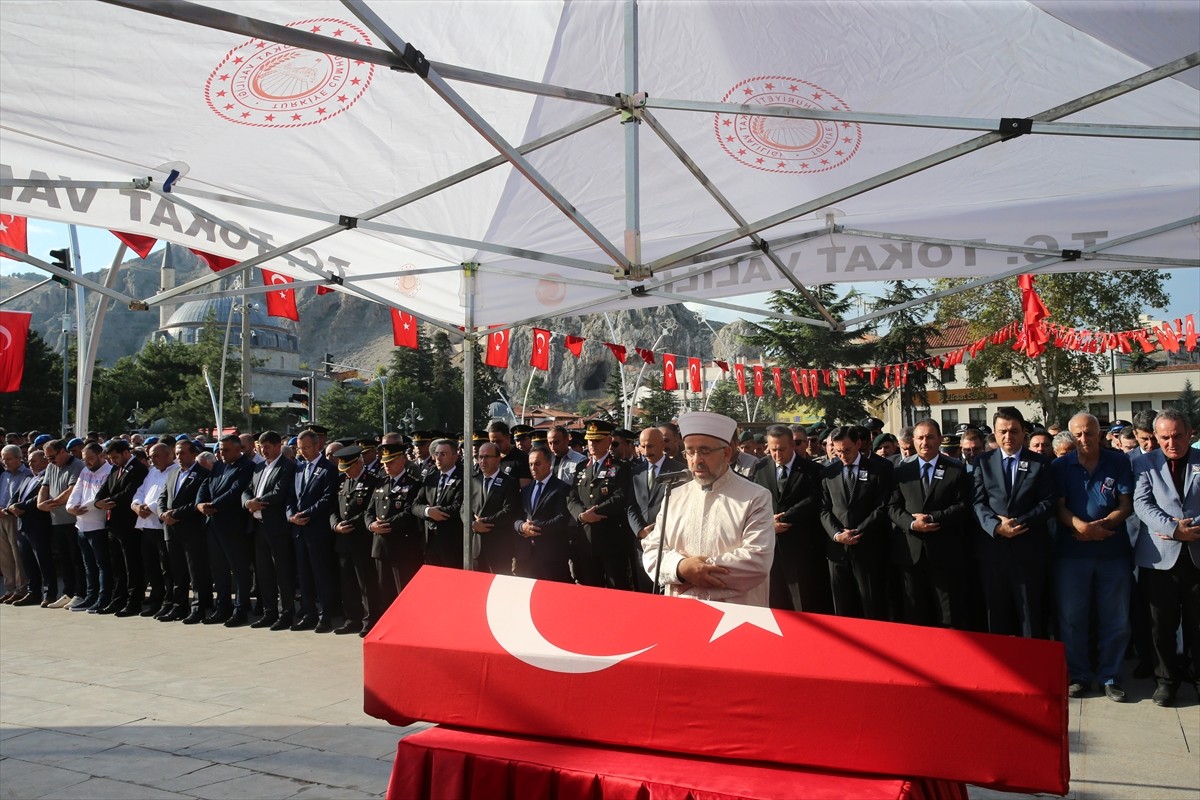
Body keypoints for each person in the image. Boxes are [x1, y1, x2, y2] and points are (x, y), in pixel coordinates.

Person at [642, 411, 775, 607]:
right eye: (689, 451)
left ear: (727, 453)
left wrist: (697, 572)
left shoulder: (755, 497)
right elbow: (652, 550)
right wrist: (680, 568)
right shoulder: (674, 496)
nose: (696, 460)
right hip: (681, 611)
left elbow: (756, 562)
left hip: (735, 615)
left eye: (704, 451)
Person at [1052, 413, 1134, 701]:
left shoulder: (1119, 461)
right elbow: (1058, 507)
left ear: (1099, 434)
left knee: (1116, 618)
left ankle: (1110, 675)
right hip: (1072, 554)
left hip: (1113, 553)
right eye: (1078, 435)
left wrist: (1104, 527)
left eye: (1089, 433)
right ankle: (1079, 675)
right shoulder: (1060, 466)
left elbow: (1127, 504)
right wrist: (1082, 527)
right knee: (1073, 618)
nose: (1084, 440)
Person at [1132, 409, 1200, 708]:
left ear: (1190, 434)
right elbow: (1141, 504)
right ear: (1156, 438)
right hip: (1160, 557)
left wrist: (1192, 527)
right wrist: (1173, 529)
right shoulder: (1143, 464)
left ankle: (1197, 676)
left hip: (1197, 552)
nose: (1172, 442)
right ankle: (1166, 681)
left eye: (1177, 435)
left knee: (1198, 624)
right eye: (1165, 437)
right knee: (1161, 624)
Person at [973, 407, 1057, 638]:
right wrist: (996, 527)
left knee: (1030, 616)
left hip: (1028, 551)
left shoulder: (1040, 463)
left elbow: (1048, 503)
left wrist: (1018, 523)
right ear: (995, 433)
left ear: (1023, 434)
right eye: (1002, 432)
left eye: (1013, 431)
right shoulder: (983, 462)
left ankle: (1032, 671)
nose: (1008, 437)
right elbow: (978, 503)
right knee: (997, 618)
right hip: (994, 552)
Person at [888, 419, 973, 629]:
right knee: (915, 615)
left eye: (930, 437)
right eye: (920, 438)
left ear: (940, 439)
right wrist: (911, 524)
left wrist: (933, 518)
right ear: (913, 441)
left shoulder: (956, 469)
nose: (925, 442)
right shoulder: (901, 472)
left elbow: (963, 506)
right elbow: (892, 507)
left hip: (945, 554)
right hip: (911, 554)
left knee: (948, 615)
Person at [820, 425, 895, 620]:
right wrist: (838, 535)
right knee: (843, 608)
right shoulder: (828, 472)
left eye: (847, 450)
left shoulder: (878, 470)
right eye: (838, 451)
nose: (843, 455)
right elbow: (823, 508)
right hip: (837, 550)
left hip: (867, 547)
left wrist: (857, 532)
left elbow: (882, 507)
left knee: (871, 604)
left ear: (858, 444)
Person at [755, 424, 831, 614]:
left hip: (801, 547)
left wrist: (786, 517)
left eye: (782, 449)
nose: (777, 454)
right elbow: (754, 500)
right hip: (770, 546)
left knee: (802, 602)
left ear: (792, 446)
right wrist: (768, 522)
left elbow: (814, 499)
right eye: (773, 450)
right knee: (774, 601)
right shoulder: (761, 468)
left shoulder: (812, 470)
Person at [196, 434, 255, 627]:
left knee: (239, 571)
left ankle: (241, 610)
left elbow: (236, 491)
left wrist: (213, 505)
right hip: (213, 524)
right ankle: (223, 608)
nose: (222, 453)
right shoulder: (219, 465)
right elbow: (205, 485)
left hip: (233, 526)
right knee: (219, 570)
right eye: (220, 450)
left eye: (226, 450)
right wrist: (200, 505)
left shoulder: (246, 466)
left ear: (239, 449)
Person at [568, 420, 634, 589]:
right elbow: (571, 497)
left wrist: (595, 512)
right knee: (591, 588)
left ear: (608, 441)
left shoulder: (620, 467)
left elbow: (620, 497)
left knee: (617, 588)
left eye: (597, 440)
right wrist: (581, 515)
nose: (592, 444)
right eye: (590, 440)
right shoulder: (582, 467)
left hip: (611, 540)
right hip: (586, 539)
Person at [244, 431, 299, 630]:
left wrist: (258, 502)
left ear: (277, 446)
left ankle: (286, 613)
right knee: (264, 572)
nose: (263, 450)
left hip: (277, 528)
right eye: (261, 446)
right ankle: (269, 612)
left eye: (267, 446)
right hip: (259, 527)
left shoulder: (288, 467)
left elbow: (280, 492)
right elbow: (247, 489)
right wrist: (247, 502)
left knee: (282, 572)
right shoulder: (259, 467)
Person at [288, 430, 340, 633]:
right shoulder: (298, 468)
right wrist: (291, 515)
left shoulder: (328, 469)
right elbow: (291, 496)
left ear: (317, 445)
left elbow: (327, 499)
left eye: (307, 448)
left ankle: (325, 615)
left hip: (317, 530)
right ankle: (308, 613)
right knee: (305, 576)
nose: (304, 452)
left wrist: (305, 513)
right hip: (299, 530)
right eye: (300, 448)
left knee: (321, 575)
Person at [367, 441, 425, 616]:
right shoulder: (380, 483)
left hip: (403, 546)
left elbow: (410, 511)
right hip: (381, 545)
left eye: (390, 461)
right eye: (384, 462)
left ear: (402, 459)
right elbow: (369, 511)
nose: (386, 466)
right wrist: (371, 525)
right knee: (384, 592)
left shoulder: (413, 484)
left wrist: (387, 524)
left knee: (404, 591)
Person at [627, 427, 687, 592]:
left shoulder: (678, 471)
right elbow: (631, 505)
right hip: (643, 543)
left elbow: (682, 506)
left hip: (668, 542)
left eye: (651, 446)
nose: (646, 451)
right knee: (645, 593)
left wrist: (660, 528)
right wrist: (639, 530)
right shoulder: (635, 472)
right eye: (643, 446)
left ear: (662, 445)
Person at [93, 439, 149, 616]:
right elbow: (104, 489)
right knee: (117, 565)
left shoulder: (138, 469)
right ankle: (118, 599)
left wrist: (109, 502)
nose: (113, 461)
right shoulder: (115, 469)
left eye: (115, 457)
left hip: (129, 524)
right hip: (114, 525)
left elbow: (129, 493)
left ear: (126, 453)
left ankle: (134, 601)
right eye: (110, 458)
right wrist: (98, 502)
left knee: (132, 565)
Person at [159, 438, 211, 624]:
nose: (179, 457)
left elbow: (197, 502)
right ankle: (178, 606)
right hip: (171, 529)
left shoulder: (202, 474)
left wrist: (176, 513)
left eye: (183, 453)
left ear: (193, 454)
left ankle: (199, 607)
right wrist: (163, 513)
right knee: (177, 571)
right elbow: (163, 496)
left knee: (196, 571)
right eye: (177, 453)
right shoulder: (173, 474)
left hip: (191, 529)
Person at [332, 445, 383, 636]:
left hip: (362, 538)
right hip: (343, 540)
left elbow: (369, 511)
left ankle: (369, 619)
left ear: (359, 463)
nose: (347, 472)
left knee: (365, 582)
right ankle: (352, 618)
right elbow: (334, 509)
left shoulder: (372, 482)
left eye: (350, 468)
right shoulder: (342, 482)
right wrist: (335, 524)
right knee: (348, 583)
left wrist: (349, 523)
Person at [513, 446, 575, 583]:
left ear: (549, 463)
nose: (533, 468)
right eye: (530, 464)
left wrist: (534, 528)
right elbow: (516, 517)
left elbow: (562, 518)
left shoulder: (561, 488)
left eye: (537, 463)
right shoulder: (526, 490)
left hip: (552, 555)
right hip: (527, 555)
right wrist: (521, 527)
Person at [66, 442, 113, 613]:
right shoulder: (85, 471)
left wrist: (83, 506)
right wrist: (70, 507)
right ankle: (91, 596)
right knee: (88, 565)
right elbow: (76, 492)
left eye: (91, 458)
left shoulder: (109, 472)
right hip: (82, 525)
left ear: (102, 456)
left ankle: (103, 598)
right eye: (85, 459)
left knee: (102, 564)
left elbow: (100, 497)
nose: (88, 462)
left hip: (98, 525)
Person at [131, 442, 174, 619]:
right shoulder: (153, 471)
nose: (152, 460)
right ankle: (156, 599)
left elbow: (167, 495)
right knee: (151, 566)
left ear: (169, 454)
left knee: (167, 568)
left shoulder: (175, 471)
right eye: (150, 456)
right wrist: (136, 505)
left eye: (156, 456)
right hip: (147, 525)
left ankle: (170, 601)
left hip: (162, 526)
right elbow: (140, 491)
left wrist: (150, 507)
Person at [411, 438, 465, 568]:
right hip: (430, 541)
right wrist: (428, 511)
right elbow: (415, 505)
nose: (438, 458)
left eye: (443, 454)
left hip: (451, 542)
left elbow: (458, 507)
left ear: (454, 457)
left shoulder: (462, 478)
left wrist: (438, 513)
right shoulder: (431, 478)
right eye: (437, 454)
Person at [470, 442, 519, 575]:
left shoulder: (510, 482)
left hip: (499, 546)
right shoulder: (473, 481)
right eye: (480, 457)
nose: (482, 461)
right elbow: (464, 507)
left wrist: (484, 522)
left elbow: (509, 511)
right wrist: (472, 524)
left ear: (498, 459)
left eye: (487, 457)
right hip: (477, 546)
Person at [0, 445, 32, 602]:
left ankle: (21, 588)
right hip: (1, 517)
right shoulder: (3, 475)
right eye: (3, 459)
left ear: (19, 458)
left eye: (9, 459)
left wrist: (8, 510)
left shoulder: (27, 474)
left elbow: (23, 498)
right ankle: (10, 588)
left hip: (15, 518)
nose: (5, 462)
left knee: (16, 554)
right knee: (4, 556)